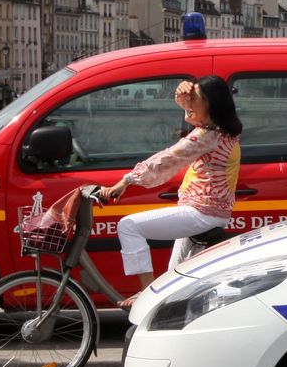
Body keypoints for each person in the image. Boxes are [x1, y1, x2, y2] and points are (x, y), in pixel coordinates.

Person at [102, 76, 242, 304]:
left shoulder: (206, 136)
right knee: (172, 285)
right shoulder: (225, 131)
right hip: (211, 213)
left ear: (211, 104)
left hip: (202, 212)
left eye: (195, 99)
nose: (189, 105)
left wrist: (126, 181)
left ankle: (146, 295)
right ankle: (161, 306)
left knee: (127, 226)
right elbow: (194, 118)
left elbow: (168, 158)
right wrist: (184, 99)